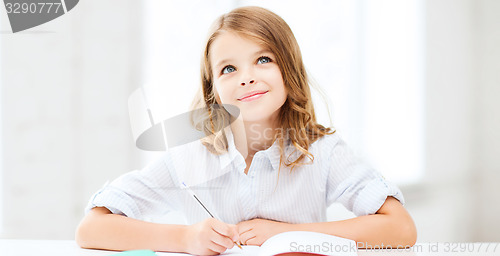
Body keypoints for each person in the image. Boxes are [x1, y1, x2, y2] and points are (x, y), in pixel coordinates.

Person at [76, 6, 417, 255]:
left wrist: (288, 235)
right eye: (228, 68)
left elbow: (400, 228)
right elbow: (92, 229)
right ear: (214, 91)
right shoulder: (188, 156)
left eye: (263, 60)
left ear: (289, 69)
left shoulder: (322, 150)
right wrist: (185, 238)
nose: (246, 77)